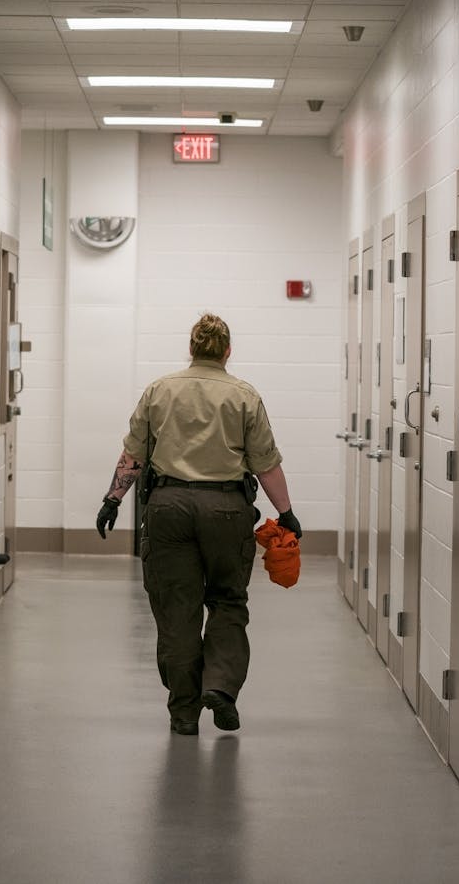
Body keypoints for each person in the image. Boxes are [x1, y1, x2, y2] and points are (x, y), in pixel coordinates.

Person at [96, 313, 303, 735]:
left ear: (191, 350)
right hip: (227, 509)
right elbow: (266, 463)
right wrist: (285, 512)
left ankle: (184, 714)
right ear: (227, 351)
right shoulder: (245, 395)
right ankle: (221, 688)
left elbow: (133, 456)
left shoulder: (159, 390)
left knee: (177, 610)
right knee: (228, 600)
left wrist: (112, 499)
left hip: (168, 508)